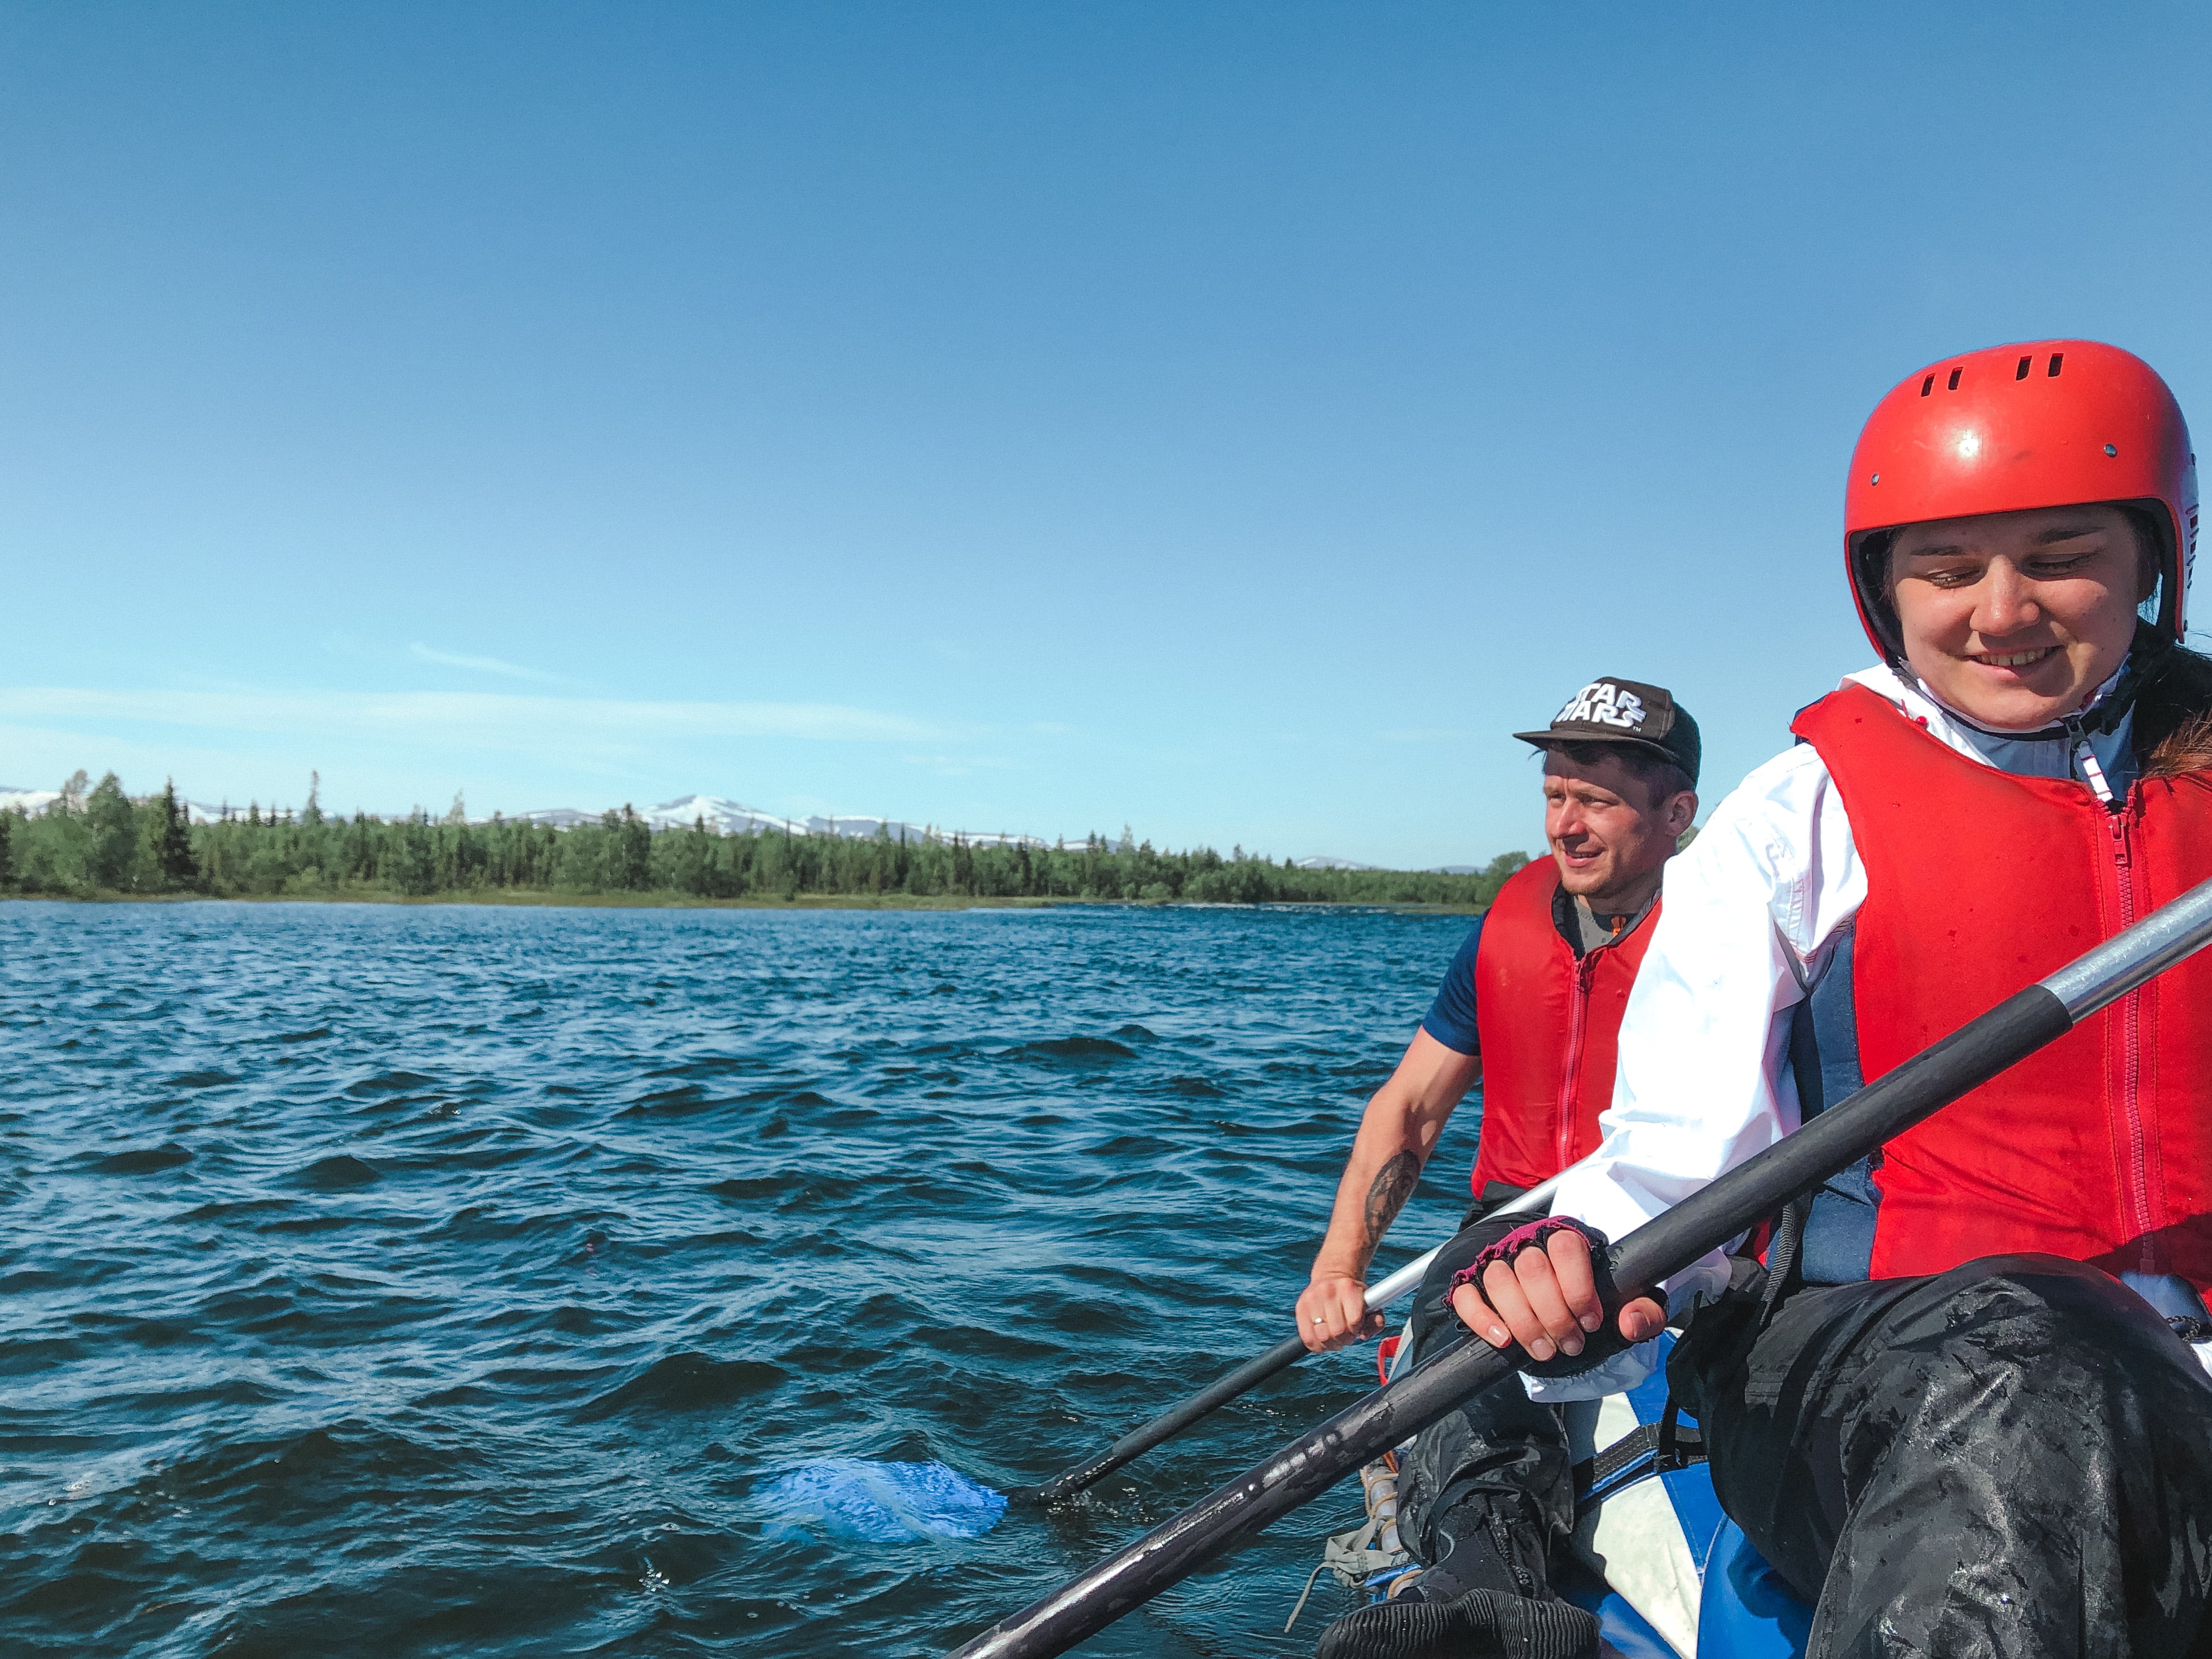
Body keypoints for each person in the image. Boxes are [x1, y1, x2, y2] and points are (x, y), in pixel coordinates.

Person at [1432, 338, 2212, 1659]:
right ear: (1881, 590)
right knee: (2032, 1368)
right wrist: (1564, 1273)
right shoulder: (1799, 815)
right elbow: (1676, 1171)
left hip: (2174, 1373)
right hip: (1874, 1359)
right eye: (1948, 568)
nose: (2001, 609)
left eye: (2060, 551)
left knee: (2076, 1378)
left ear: (2155, 561)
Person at [1298, 677, 1698, 1647]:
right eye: (1555, 795)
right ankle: (1484, 1592)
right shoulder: (1505, 924)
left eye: (1596, 800)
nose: (1566, 824)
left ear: (1676, 813)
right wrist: (1339, 1265)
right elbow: (1410, 1107)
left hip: (1666, 1226)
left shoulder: (1731, 931)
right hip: (1509, 1228)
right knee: (1468, 1309)